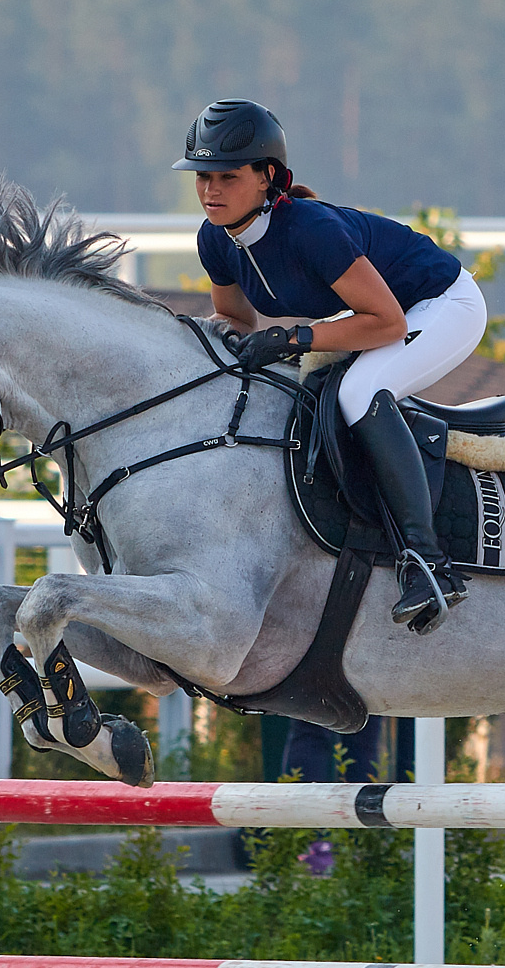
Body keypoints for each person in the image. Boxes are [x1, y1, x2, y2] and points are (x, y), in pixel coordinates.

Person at [175, 97, 485, 633]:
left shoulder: (310, 229)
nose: (209, 191)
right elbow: (232, 318)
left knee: (358, 394)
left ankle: (429, 563)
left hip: (442, 304)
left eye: (225, 177)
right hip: (392, 314)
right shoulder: (215, 241)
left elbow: (387, 323)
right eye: (202, 177)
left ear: (267, 176)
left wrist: (295, 337)